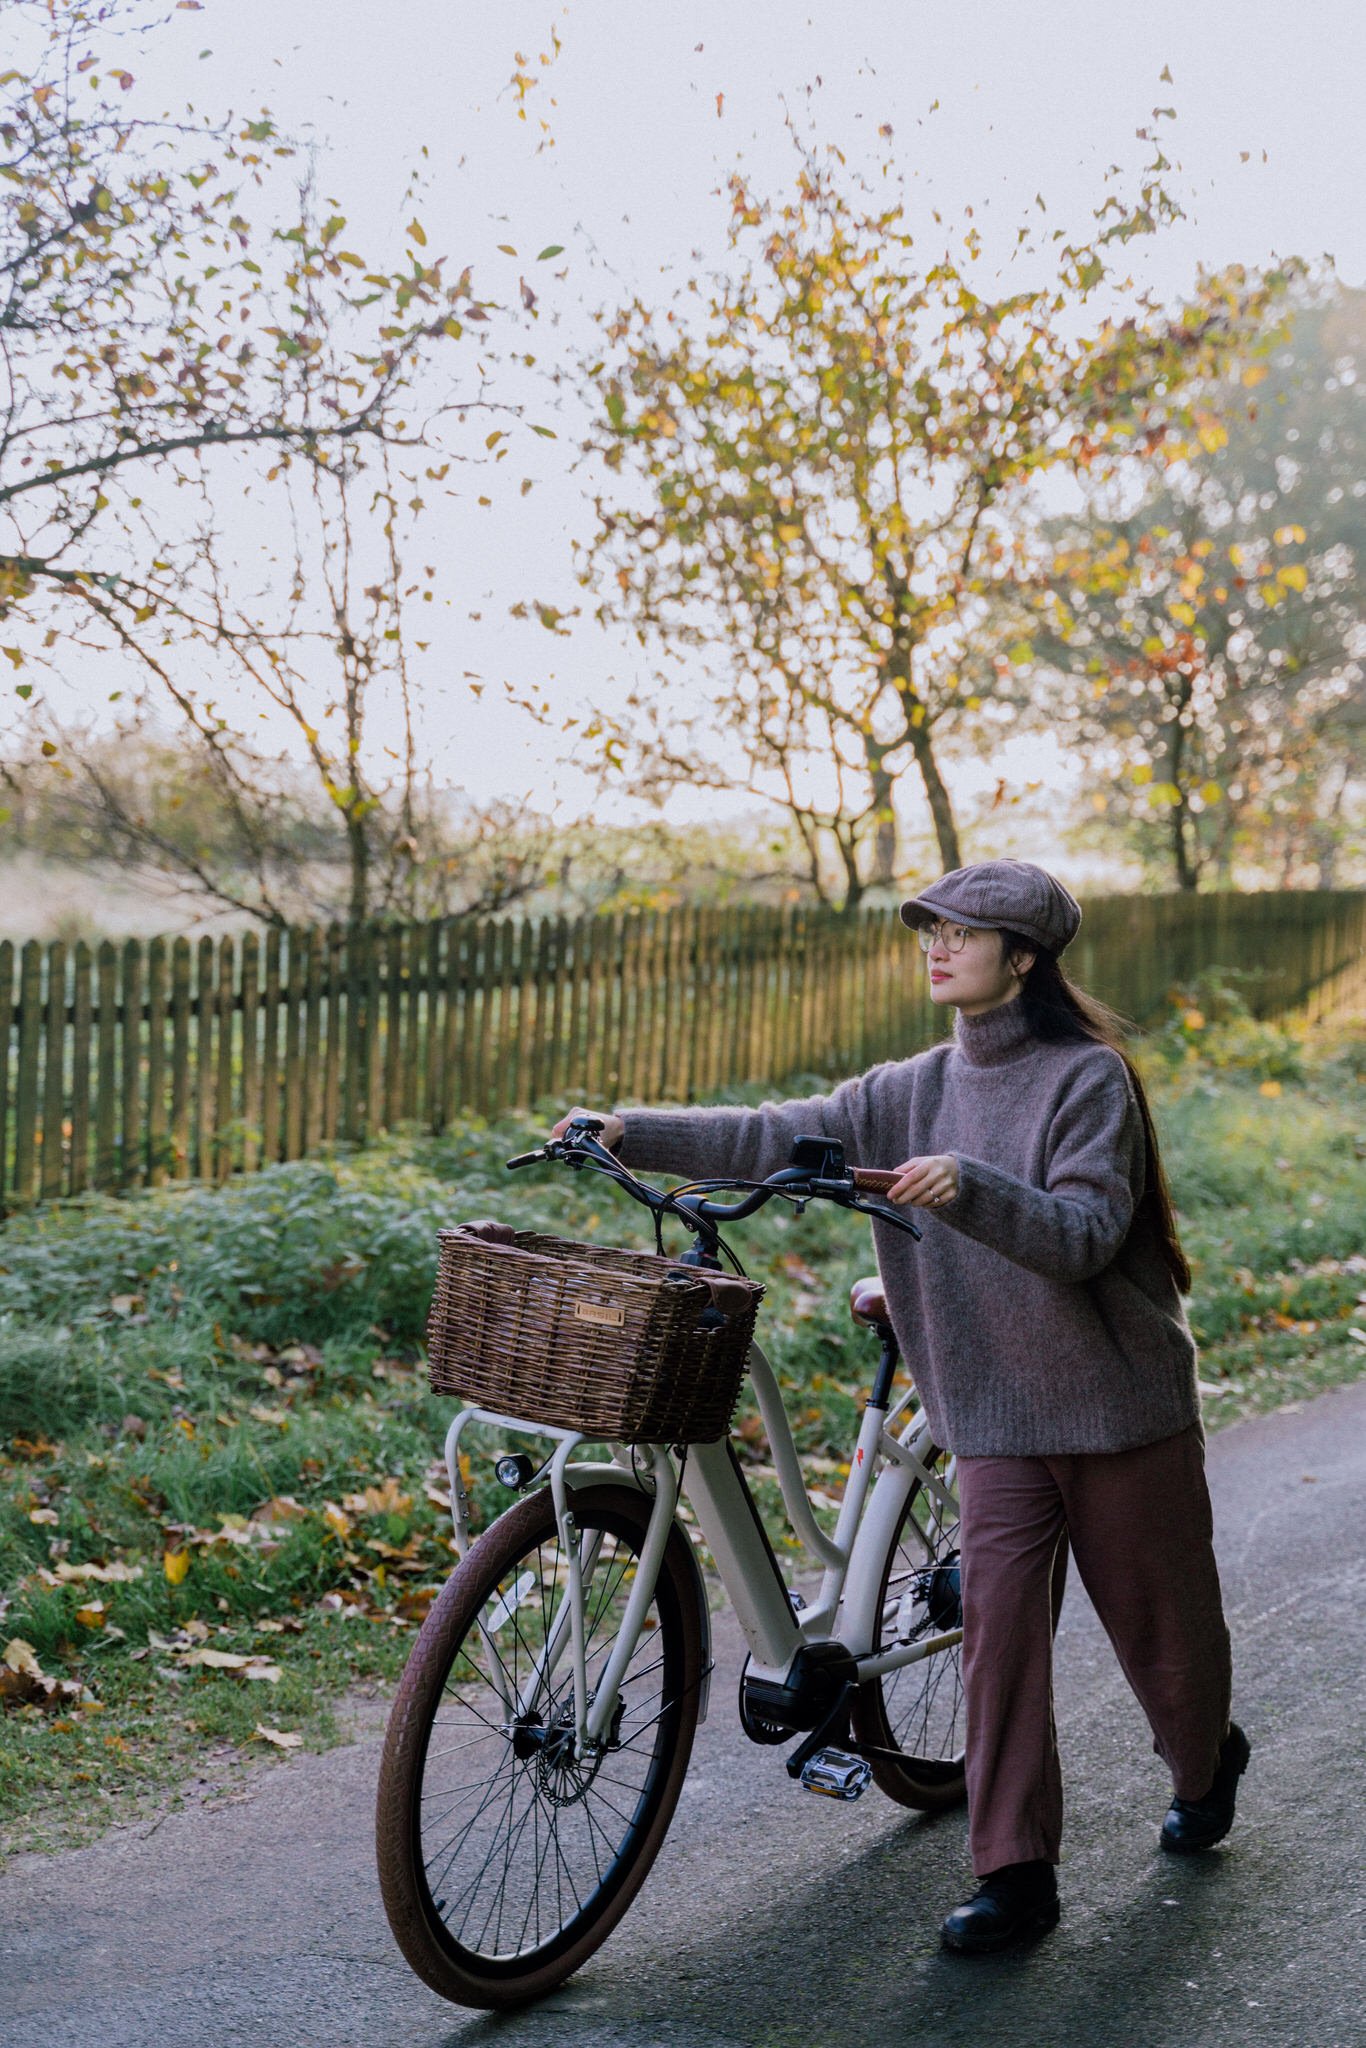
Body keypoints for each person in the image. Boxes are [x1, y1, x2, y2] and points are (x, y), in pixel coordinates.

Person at [552, 858, 1247, 1954]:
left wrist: (970, 1184)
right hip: (992, 1418)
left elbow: (1079, 1237)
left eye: (962, 931)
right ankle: (1014, 1873)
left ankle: (1208, 1759)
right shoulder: (910, 1086)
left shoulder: (1087, 1079)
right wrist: (627, 1128)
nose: (935, 943)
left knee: (1163, 1644)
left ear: (1022, 958)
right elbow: (775, 1131)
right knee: (998, 1638)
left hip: (1115, 1409)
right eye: (929, 926)